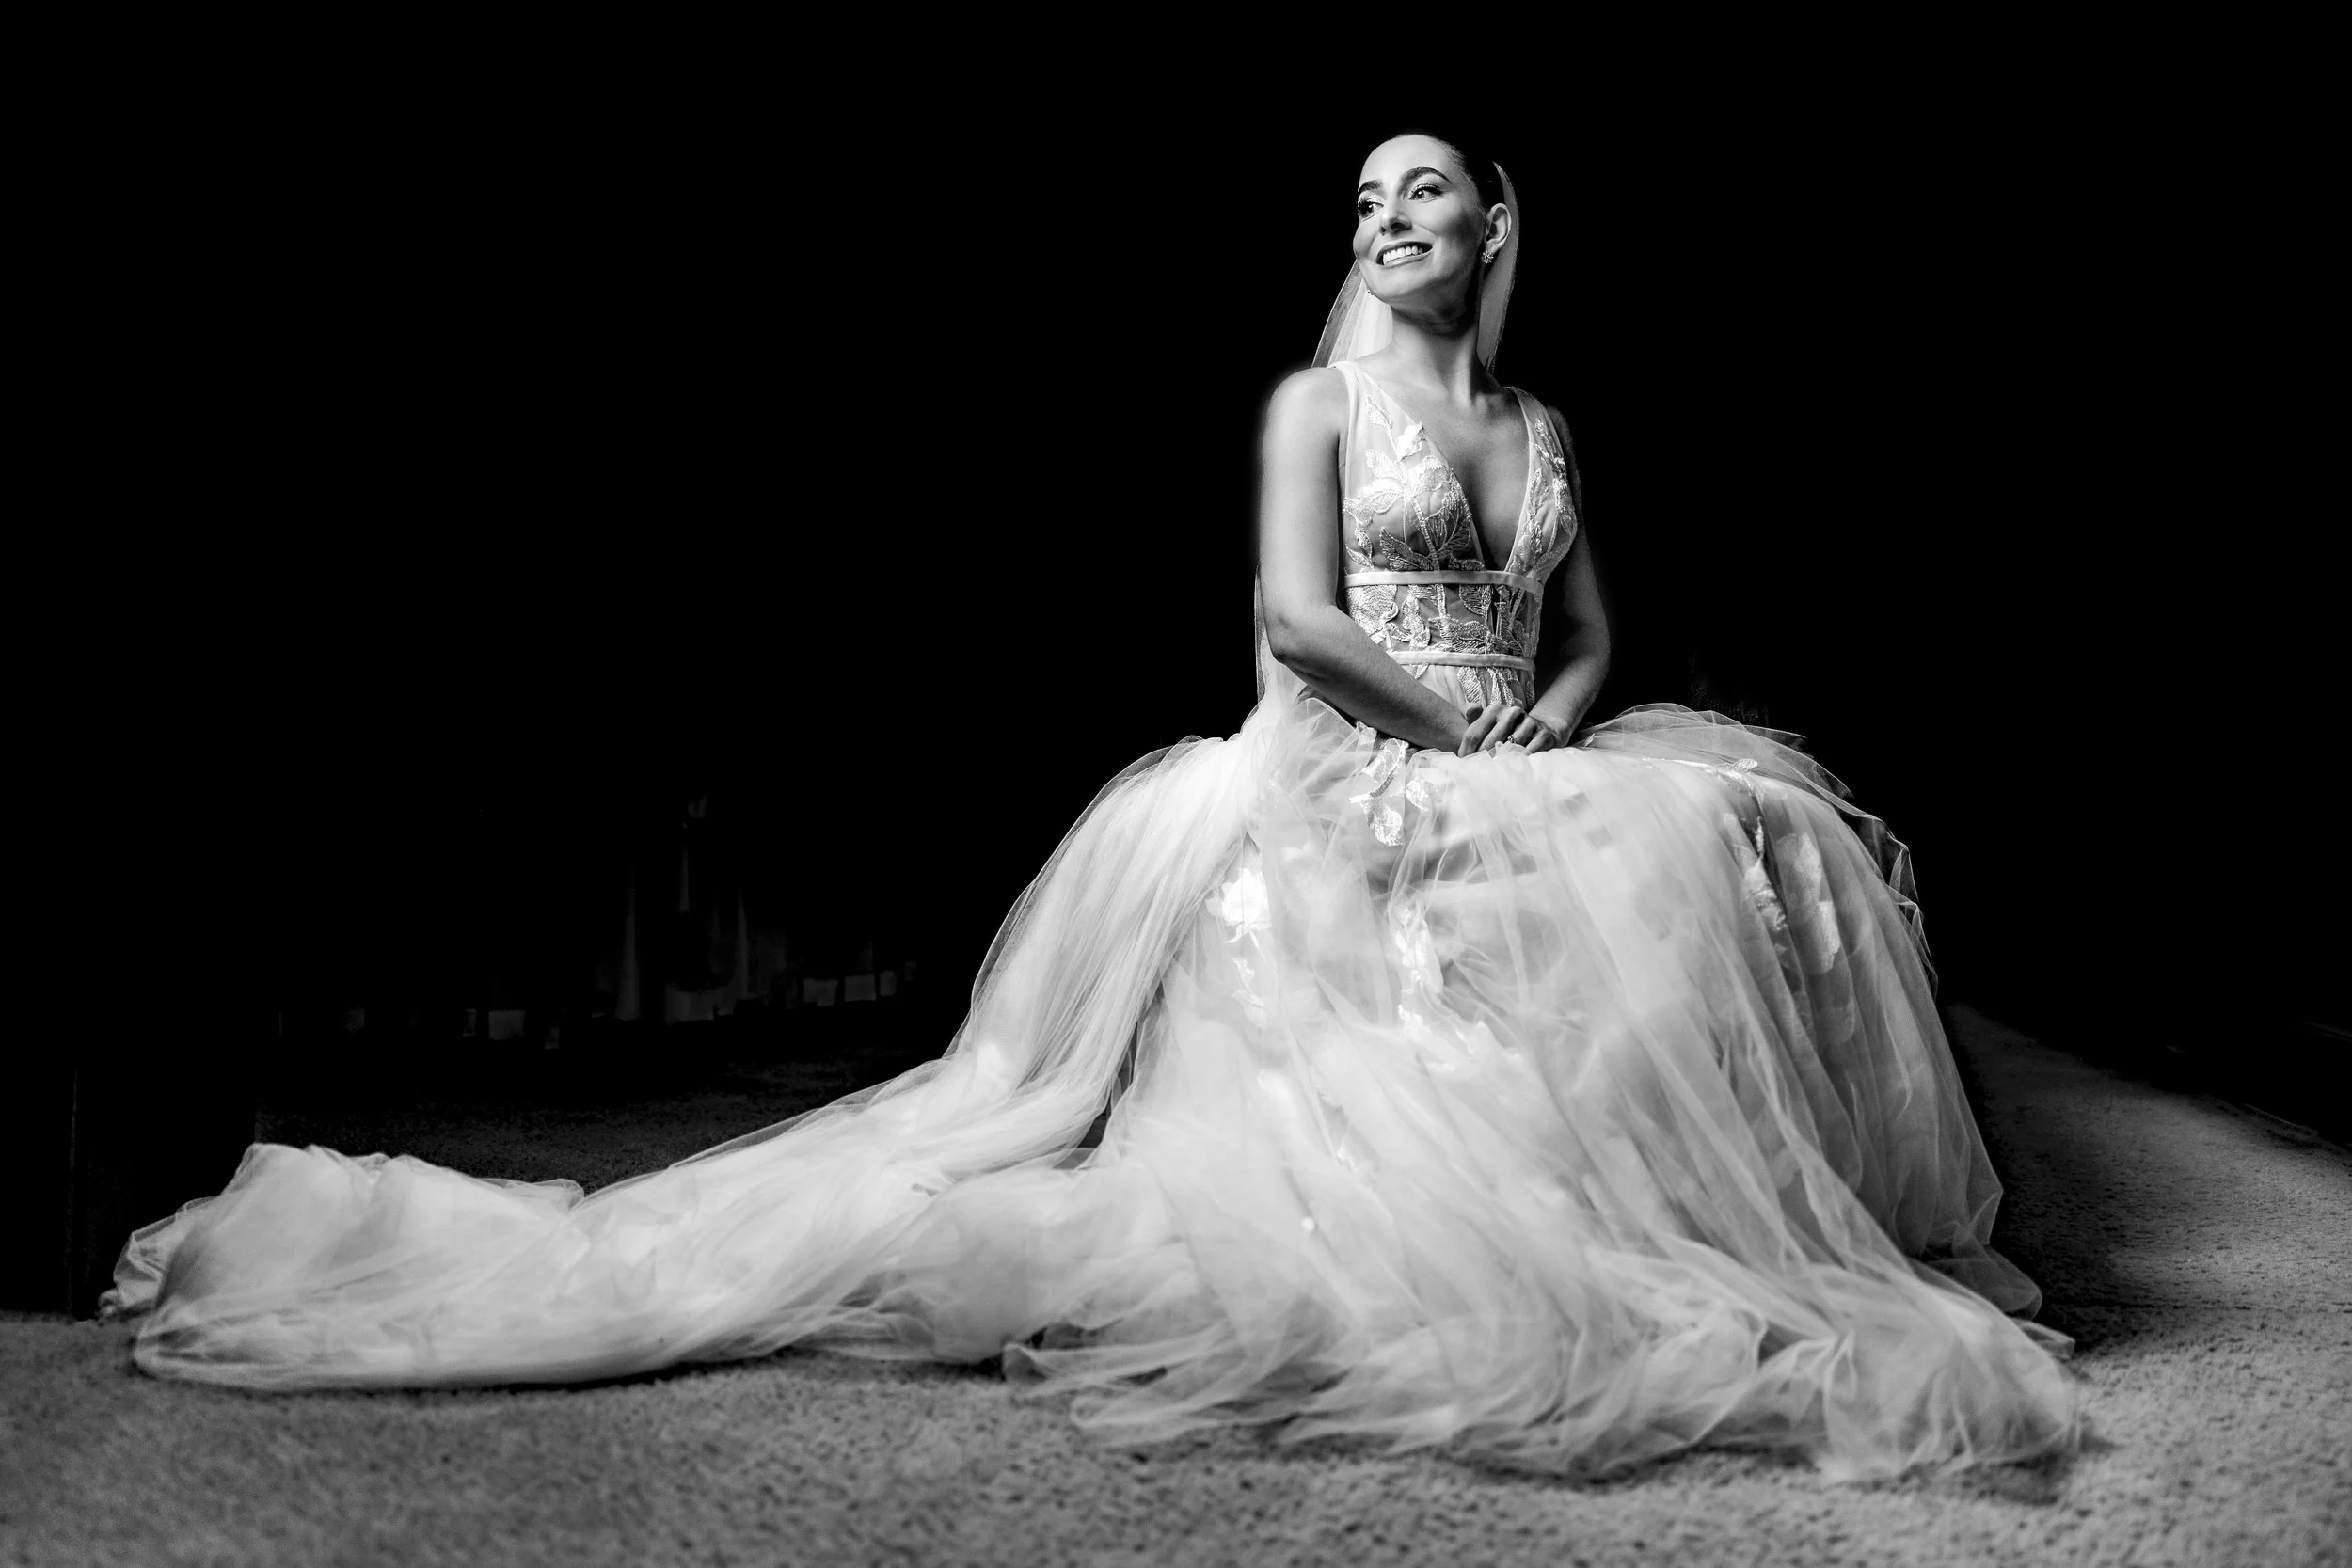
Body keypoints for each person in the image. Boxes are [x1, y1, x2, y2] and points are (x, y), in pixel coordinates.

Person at [104, 132, 2080, 1481]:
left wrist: (1550, 721)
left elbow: (1586, 626)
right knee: (1528, 900)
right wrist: (1454, 732)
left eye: (1424, 190)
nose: (1387, 216)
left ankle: (1706, 1190)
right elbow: (1293, 617)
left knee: (1724, 826)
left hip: (1498, 737)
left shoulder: (1539, 424)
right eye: (1364, 197)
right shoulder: (1318, 404)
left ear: (1495, 225)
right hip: (1346, 742)